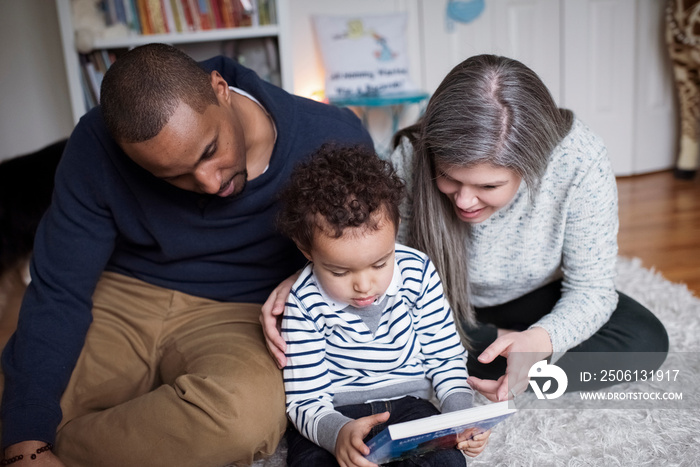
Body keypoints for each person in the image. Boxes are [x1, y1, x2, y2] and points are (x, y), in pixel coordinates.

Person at [0, 43, 373, 467]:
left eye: (210, 151)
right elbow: (59, 289)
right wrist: (25, 441)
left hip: (240, 311)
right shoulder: (95, 143)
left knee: (243, 418)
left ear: (220, 89)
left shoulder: (331, 137)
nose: (210, 184)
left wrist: (305, 276)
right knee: (21, 403)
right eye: (172, 175)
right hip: (123, 296)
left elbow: (367, 251)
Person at [261, 54, 669, 403]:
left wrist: (540, 340)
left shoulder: (579, 160)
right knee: (369, 334)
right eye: (450, 179)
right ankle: (496, 363)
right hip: (438, 305)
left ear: (532, 166)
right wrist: (313, 275)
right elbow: (376, 257)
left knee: (646, 343)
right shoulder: (410, 156)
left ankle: (504, 365)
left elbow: (591, 291)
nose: (464, 201)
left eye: (489, 186)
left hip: (536, 296)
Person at [277, 144, 490, 467]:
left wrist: (460, 417)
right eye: (339, 272)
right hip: (337, 413)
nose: (364, 285)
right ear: (306, 250)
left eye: (380, 263)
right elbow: (305, 399)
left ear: (395, 228)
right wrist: (337, 435)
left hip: (410, 406)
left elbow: (445, 357)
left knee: (447, 462)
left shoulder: (417, 272)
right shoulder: (304, 299)